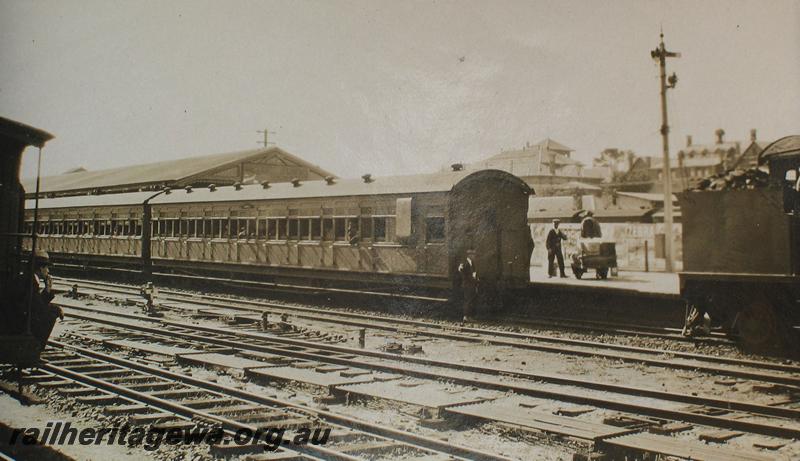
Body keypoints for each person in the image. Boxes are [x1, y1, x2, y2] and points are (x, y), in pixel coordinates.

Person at [458, 250, 478, 322]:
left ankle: (469, 316)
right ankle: (466, 316)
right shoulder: (465, 263)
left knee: (471, 300)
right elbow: (462, 271)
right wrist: (472, 278)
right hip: (467, 285)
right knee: (468, 301)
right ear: (469, 255)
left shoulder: (471, 263)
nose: (474, 256)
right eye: (473, 254)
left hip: (471, 284)